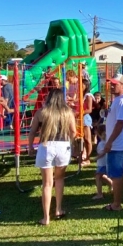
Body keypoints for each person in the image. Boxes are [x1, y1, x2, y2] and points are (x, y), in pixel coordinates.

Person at [27, 89, 76, 225]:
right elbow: (73, 131)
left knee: (47, 184)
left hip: (46, 145)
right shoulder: (68, 112)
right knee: (59, 179)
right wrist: (70, 143)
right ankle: (58, 209)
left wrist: (30, 147)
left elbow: (32, 132)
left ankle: (46, 217)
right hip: (63, 145)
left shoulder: (42, 112)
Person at [102, 75, 123, 211]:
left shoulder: (122, 100)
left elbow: (120, 122)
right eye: (111, 83)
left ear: (122, 85)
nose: (111, 86)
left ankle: (116, 204)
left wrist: (109, 142)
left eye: (114, 84)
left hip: (118, 143)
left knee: (116, 174)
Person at [91, 122, 113, 200]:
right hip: (106, 163)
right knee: (102, 176)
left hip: (102, 163)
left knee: (98, 177)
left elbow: (103, 152)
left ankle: (99, 194)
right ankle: (111, 184)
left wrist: (96, 158)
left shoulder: (101, 144)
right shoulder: (108, 142)